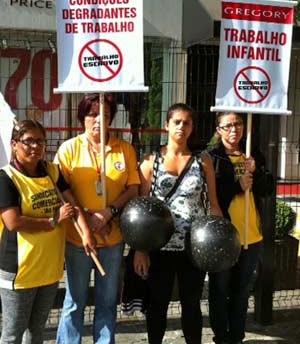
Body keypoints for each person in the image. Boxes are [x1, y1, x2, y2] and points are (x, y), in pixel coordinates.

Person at [134, 103, 223, 344]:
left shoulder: (202, 162)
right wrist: (140, 250)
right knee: (157, 304)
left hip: (193, 246)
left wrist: (222, 239)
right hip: (159, 247)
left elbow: (213, 203)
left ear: (192, 127)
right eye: (177, 122)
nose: (181, 127)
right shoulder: (150, 162)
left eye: (187, 122)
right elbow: (141, 212)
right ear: (166, 125)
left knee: (192, 303)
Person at [0, 119, 95, 344]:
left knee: (36, 332)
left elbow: (73, 205)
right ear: (14, 144)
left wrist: (86, 233)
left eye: (40, 141)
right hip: (20, 271)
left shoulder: (52, 172)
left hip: (49, 269)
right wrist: (53, 221)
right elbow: (13, 222)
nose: (35, 146)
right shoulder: (6, 178)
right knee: (13, 334)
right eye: (28, 141)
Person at [56, 93, 140, 344]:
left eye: (104, 115)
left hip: (113, 238)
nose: (98, 120)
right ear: (82, 118)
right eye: (92, 114)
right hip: (79, 239)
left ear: (111, 119)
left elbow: (133, 188)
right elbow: (62, 190)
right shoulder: (68, 149)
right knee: (75, 301)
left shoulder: (124, 149)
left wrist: (108, 213)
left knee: (107, 300)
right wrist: (87, 224)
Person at [207, 112, 274, 344]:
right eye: (228, 126)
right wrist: (238, 185)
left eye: (238, 124)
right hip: (223, 237)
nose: (234, 129)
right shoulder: (212, 158)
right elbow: (211, 197)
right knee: (219, 289)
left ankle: (237, 337)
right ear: (219, 130)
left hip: (251, 236)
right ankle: (221, 336)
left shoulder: (252, 153)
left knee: (241, 291)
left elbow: (267, 190)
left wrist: (255, 172)